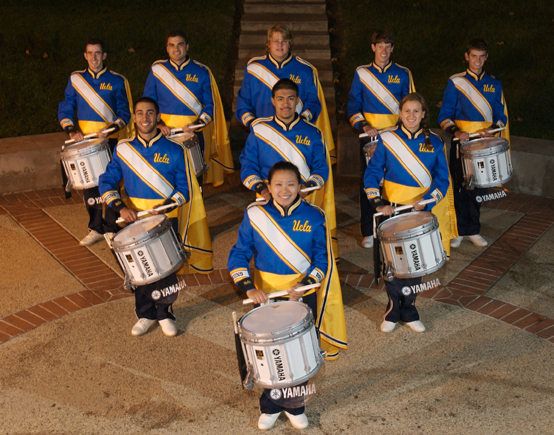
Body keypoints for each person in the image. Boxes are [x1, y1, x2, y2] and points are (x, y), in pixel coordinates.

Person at [228, 161, 347, 430]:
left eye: (291, 184)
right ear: (268, 187)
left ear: (300, 188)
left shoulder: (315, 216)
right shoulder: (255, 213)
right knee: (268, 353)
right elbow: (239, 253)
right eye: (278, 184)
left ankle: (295, 405)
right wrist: (248, 286)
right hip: (266, 296)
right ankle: (270, 405)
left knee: (299, 352)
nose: (285, 190)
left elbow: (321, 259)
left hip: (301, 295)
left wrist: (306, 285)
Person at [99, 97, 198, 337]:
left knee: (165, 270)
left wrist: (165, 207)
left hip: (164, 219)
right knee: (140, 269)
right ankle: (144, 313)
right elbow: (107, 181)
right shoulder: (123, 148)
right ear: (134, 117)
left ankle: (165, 313)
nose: (145, 118)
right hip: (133, 219)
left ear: (157, 116)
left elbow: (185, 189)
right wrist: (120, 207)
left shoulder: (175, 149)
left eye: (150, 113)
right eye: (140, 113)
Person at [364, 93, 456, 333]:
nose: (411, 116)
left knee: (416, 263)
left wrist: (426, 201)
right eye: (407, 111)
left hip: (419, 212)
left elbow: (442, 179)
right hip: (393, 211)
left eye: (416, 111)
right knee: (393, 265)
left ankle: (410, 310)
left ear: (424, 114)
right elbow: (373, 172)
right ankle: (393, 312)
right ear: (400, 114)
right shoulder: (387, 139)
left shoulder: (435, 142)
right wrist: (377, 202)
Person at [239, 78, 339, 259]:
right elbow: (248, 165)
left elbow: (321, 167)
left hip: (304, 198)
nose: (286, 104)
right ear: (272, 100)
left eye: (291, 98)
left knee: (304, 250)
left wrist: (305, 188)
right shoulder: (259, 128)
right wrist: (263, 190)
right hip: (267, 198)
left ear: (298, 100)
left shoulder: (313, 132)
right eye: (280, 99)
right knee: (269, 250)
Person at [58, 39, 133, 246]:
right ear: (84, 55)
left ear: (105, 55)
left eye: (98, 53)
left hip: (108, 141)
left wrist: (109, 130)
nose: (94, 58)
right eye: (90, 53)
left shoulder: (117, 81)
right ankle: (95, 227)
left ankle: (111, 226)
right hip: (85, 144)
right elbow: (66, 106)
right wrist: (71, 130)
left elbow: (124, 113)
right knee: (89, 188)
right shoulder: (76, 79)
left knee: (110, 184)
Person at [438, 38, 509, 248]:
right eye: (473, 56)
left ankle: (473, 228)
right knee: (460, 186)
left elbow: (501, 116)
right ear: (467, 57)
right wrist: (456, 132)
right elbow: (444, 115)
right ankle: (459, 229)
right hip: (461, 143)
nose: (477, 61)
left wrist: (492, 128)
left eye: (481, 57)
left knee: (478, 189)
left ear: (486, 58)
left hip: (484, 145)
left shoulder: (494, 84)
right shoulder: (455, 82)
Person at [347, 30, 415, 249]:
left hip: (396, 137)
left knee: (394, 180)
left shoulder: (404, 73)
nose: (384, 50)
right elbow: (353, 106)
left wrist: (400, 128)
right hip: (370, 138)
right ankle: (369, 230)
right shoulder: (361, 73)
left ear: (393, 49)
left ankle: (391, 226)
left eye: (388, 46)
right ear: (373, 47)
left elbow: (411, 105)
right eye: (380, 45)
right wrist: (364, 125)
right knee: (369, 182)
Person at [143, 29, 234, 187]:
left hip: (192, 134)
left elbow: (209, 106)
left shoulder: (202, 72)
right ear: (166, 48)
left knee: (194, 178)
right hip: (165, 133)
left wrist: (197, 125)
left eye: (180, 44)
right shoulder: (157, 70)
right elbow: (148, 103)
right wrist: (158, 125)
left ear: (187, 46)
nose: (176, 49)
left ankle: (195, 210)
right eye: (171, 45)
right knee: (166, 178)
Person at [235, 24, 336, 161]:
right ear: (268, 44)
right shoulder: (254, 68)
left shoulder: (304, 70)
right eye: (275, 41)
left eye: (284, 41)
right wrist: (253, 123)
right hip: (263, 135)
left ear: (290, 44)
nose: (280, 45)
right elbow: (243, 102)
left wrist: (302, 121)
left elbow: (313, 102)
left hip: (295, 137)